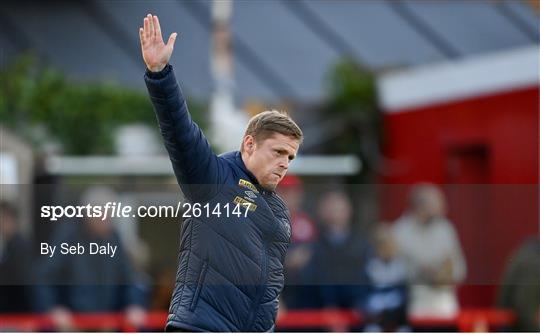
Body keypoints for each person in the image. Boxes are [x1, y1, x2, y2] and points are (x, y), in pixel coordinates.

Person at [139, 14, 303, 332]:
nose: (285, 163)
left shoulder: (279, 210)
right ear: (250, 144)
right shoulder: (213, 179)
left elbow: (267, 293)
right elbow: (180, 132)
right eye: (278, 152)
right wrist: (159, 74)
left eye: (291, 157)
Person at [393, 184, 466, 319]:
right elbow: (395, 270)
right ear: (421, 205)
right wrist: (422, 272)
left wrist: (446, 275)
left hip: (444, 299)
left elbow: (459, 267)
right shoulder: (401, 231)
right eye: (438, 203)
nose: (443, 207)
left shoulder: (445, 229)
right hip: (414, 299)